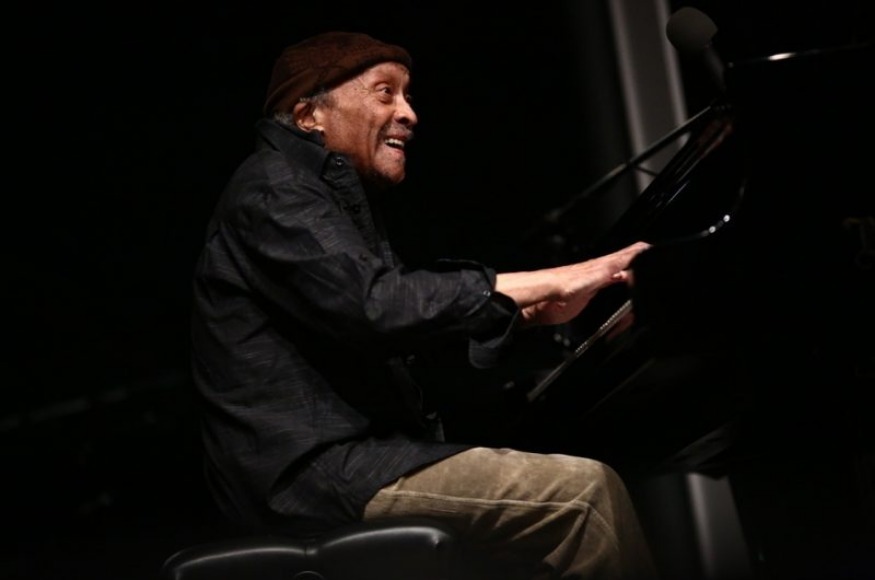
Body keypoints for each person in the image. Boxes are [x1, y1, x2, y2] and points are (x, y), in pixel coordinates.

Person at [190, 30, 658, 579]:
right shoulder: (274, 189)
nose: (409, 114)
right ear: (308, 114)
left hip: (352, 458)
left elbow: (399, 336)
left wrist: (526, 315)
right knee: (582, 496)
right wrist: (550, 281)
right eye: (385, 93)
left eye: (407, 96)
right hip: (311, 474)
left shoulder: (324, 196)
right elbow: (377, 305)